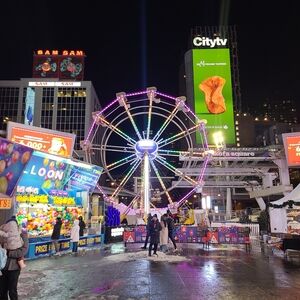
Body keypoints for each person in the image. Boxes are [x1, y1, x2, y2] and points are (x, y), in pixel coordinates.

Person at [0, 231, 29, 300]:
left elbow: (23, 250)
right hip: (2, 267)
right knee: (2, 290)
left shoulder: (22, 233)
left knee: (12, 290)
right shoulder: (2, 232)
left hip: (14, 267)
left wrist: (8, 252)